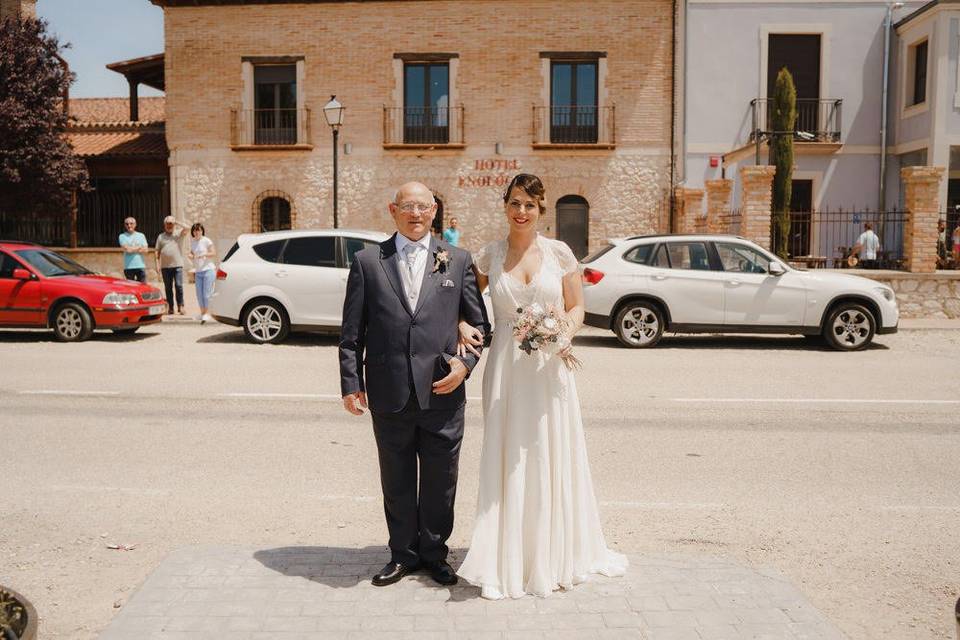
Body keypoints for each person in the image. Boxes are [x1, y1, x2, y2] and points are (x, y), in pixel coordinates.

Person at [455, 173, 628, 600]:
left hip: (550, 367)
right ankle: (506, 554)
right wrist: (461, 321)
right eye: (514, 203)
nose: (521, 212)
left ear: (541, 209)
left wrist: (563, 333)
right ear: (505, 205)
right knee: (508, 451)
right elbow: (463, 301)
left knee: (550, 449)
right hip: (506, 369)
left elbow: (576, 306)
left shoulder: (560, 253)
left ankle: (553, 552)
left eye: (529, 205)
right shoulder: (488, 256)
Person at [338, 182, 488, 588]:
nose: (416, 214)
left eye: (423, 206)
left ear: (434, 210)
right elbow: (352, 331)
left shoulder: (456, 260)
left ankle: (436, 555)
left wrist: (466, 364)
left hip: (443, 390)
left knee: (441, 482)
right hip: (389, 392)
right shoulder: (368, 261)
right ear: (393, 210)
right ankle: (402, 554)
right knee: (397, 480)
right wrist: (351, 383)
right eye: (408, 206)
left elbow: (480, 327)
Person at [155, 216, 187, 315]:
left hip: (177, 265)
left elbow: (188, 228)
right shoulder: (161, 236)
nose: (169, 225)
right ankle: (170, 307)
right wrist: (157, 265)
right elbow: (157, 251)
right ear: (164, 225)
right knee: (168, 287)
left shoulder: (178, 234)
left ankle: (181, 306)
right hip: (165, 266)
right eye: (167, 223)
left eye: (171, 223)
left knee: (179, 286)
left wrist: (176, 221)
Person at [187, 223, 216, 324]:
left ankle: (207, 313)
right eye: (195, 230)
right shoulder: (193, 242)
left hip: (208, 270)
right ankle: (203, 313)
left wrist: (204, 254)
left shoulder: (207, 240)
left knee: (206, 294)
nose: (197, 232)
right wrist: (190, 255)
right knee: (199, 294)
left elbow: (213, 253)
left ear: (202, 231)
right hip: (198, 271)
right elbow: (192, 252)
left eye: (198, 230)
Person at [118, 217, 149, 282]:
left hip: (140, 266)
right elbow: (128, 250)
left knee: (142, 288)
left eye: (131, 223)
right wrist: (139, 247)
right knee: (130, 288)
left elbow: (146, 250)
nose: (129, 226)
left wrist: (131, 248)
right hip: (128, 267)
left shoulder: (141, 235)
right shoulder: (122, 236)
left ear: (135, 224)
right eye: (127, 224)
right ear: (125, 225)